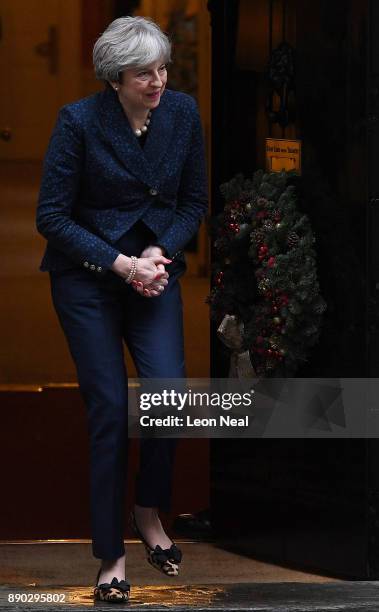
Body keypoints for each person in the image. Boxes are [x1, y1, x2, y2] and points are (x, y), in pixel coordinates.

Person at [35, 15, 208, 603]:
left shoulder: (182, 113)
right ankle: (110, 554)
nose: (158, 81)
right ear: (115, 78)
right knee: (109, 408)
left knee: (169, 393)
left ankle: (148, 509)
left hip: (153, 273)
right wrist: (121, 264)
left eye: (162, 68)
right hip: (88, 278)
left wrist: (158, 252)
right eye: (143, 74)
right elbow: (51, 217)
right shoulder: (78, 122)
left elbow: (193, 201)